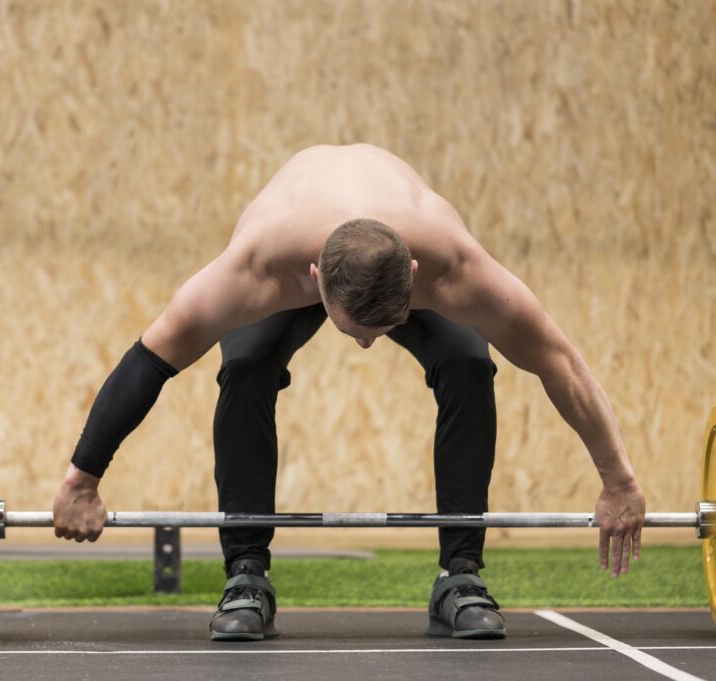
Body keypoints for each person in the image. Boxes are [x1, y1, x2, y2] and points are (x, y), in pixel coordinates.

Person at [52, 143, 646, 641]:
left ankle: (460, 575)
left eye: (379, 332)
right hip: (298, 245)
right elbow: (150, 361)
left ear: (415, 275)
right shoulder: (256, 269)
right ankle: (246, 575)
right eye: (350, 332)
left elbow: (559, 363)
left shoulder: (456, 266)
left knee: (468, 361)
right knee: (248, 365)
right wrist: (82, 480)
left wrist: (618, 479)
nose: (364, 348)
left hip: (396, 252)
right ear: (313, 281)